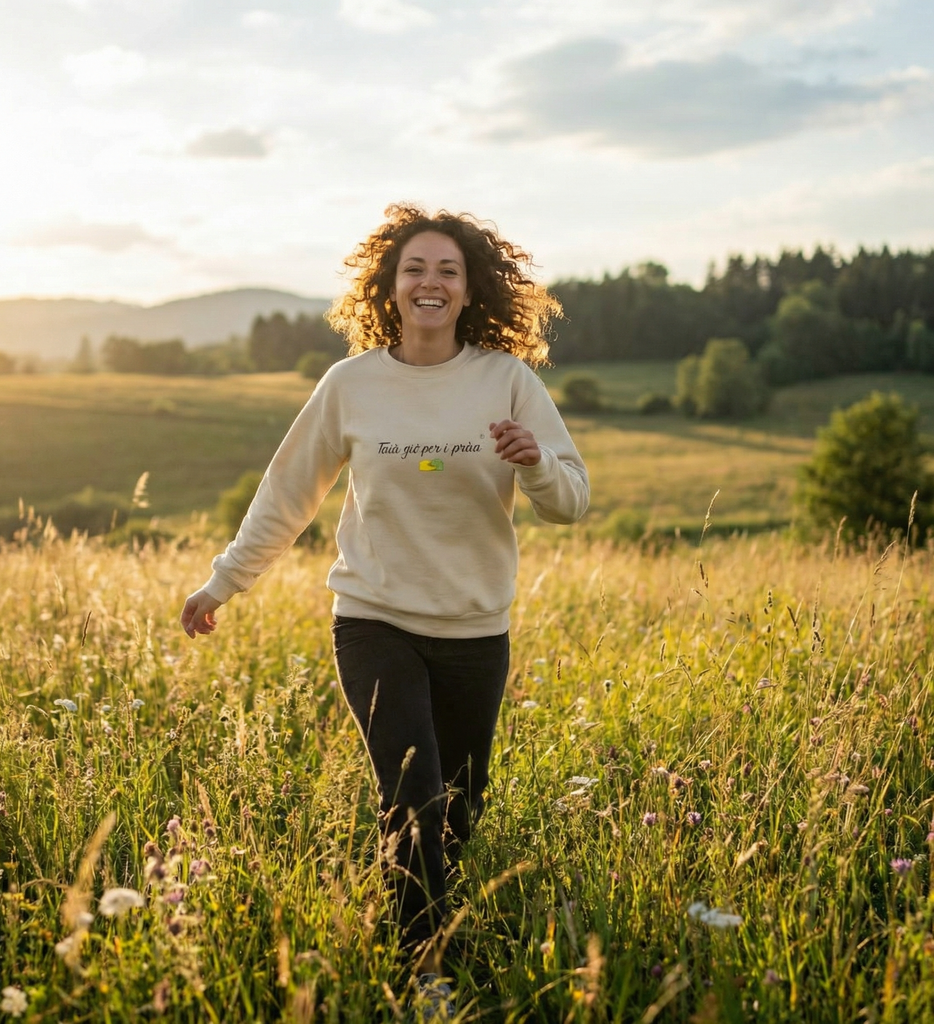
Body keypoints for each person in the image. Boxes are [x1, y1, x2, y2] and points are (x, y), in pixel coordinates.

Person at [181, 203, 589, 1012]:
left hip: (475, 629)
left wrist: (536, 462)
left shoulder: (508, 381)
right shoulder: (352, 384)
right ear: (390, 287)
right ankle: (425, 971)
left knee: (458, 809)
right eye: (415, 270)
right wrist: (224, 580)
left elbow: (570, 502)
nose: (430, 283)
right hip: (373, 621)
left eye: (447, 271)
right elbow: (288, 494)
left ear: (469, 291)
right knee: (411, 795)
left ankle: (419, 920)